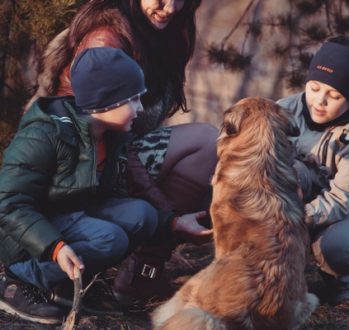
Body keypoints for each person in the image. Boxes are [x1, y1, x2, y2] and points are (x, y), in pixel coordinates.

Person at [27, 0, 217, 304]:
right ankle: (43, 274)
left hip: (121, 151)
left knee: (207, 153)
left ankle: (142, 276)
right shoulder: (106, 38)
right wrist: (169, 216)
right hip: (82, 168)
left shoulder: (173, 30)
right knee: (205, 142)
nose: (170, 8)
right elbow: (89, 140)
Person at [0, 47, 173, 324]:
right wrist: (55, 247)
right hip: (24, 243)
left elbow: (118, 197)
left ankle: (68, 284)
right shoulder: (44, 134)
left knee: (143, 216)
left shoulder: (109, 136)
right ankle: (18, 281)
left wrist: (172, 224)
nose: (140, 108)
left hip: (68, 217)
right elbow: (8, 203)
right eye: (133, 100)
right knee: (109, 238)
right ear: (105, 102)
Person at [277, 35, 349, 306]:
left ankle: (339, 284)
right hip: (289, 201)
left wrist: (292, 220)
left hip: (343, 213)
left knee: (340, 247)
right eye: (314, 87)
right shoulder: (283, 110)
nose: (319, 101)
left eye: (334, 95)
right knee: (293, 171)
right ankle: (273, 277)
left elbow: (341, 199)